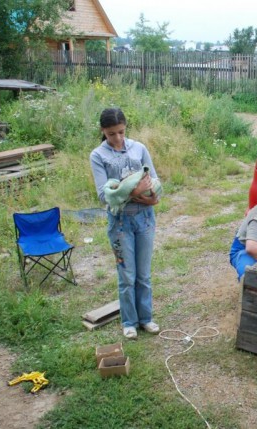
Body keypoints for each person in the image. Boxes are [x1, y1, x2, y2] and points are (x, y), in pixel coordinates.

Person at [90, 108, 161, 340]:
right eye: (111, 134)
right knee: (126, 274)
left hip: (145, 219)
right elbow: (104, 196)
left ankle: (146, 319)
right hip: (119, 223)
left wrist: (150, 197)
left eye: (121, 132)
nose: (118, 138)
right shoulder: (98, 156)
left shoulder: (139, 148)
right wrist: (137, 190)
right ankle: (129, 321)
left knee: (144, 274)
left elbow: (155, 181)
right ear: (103, 131)